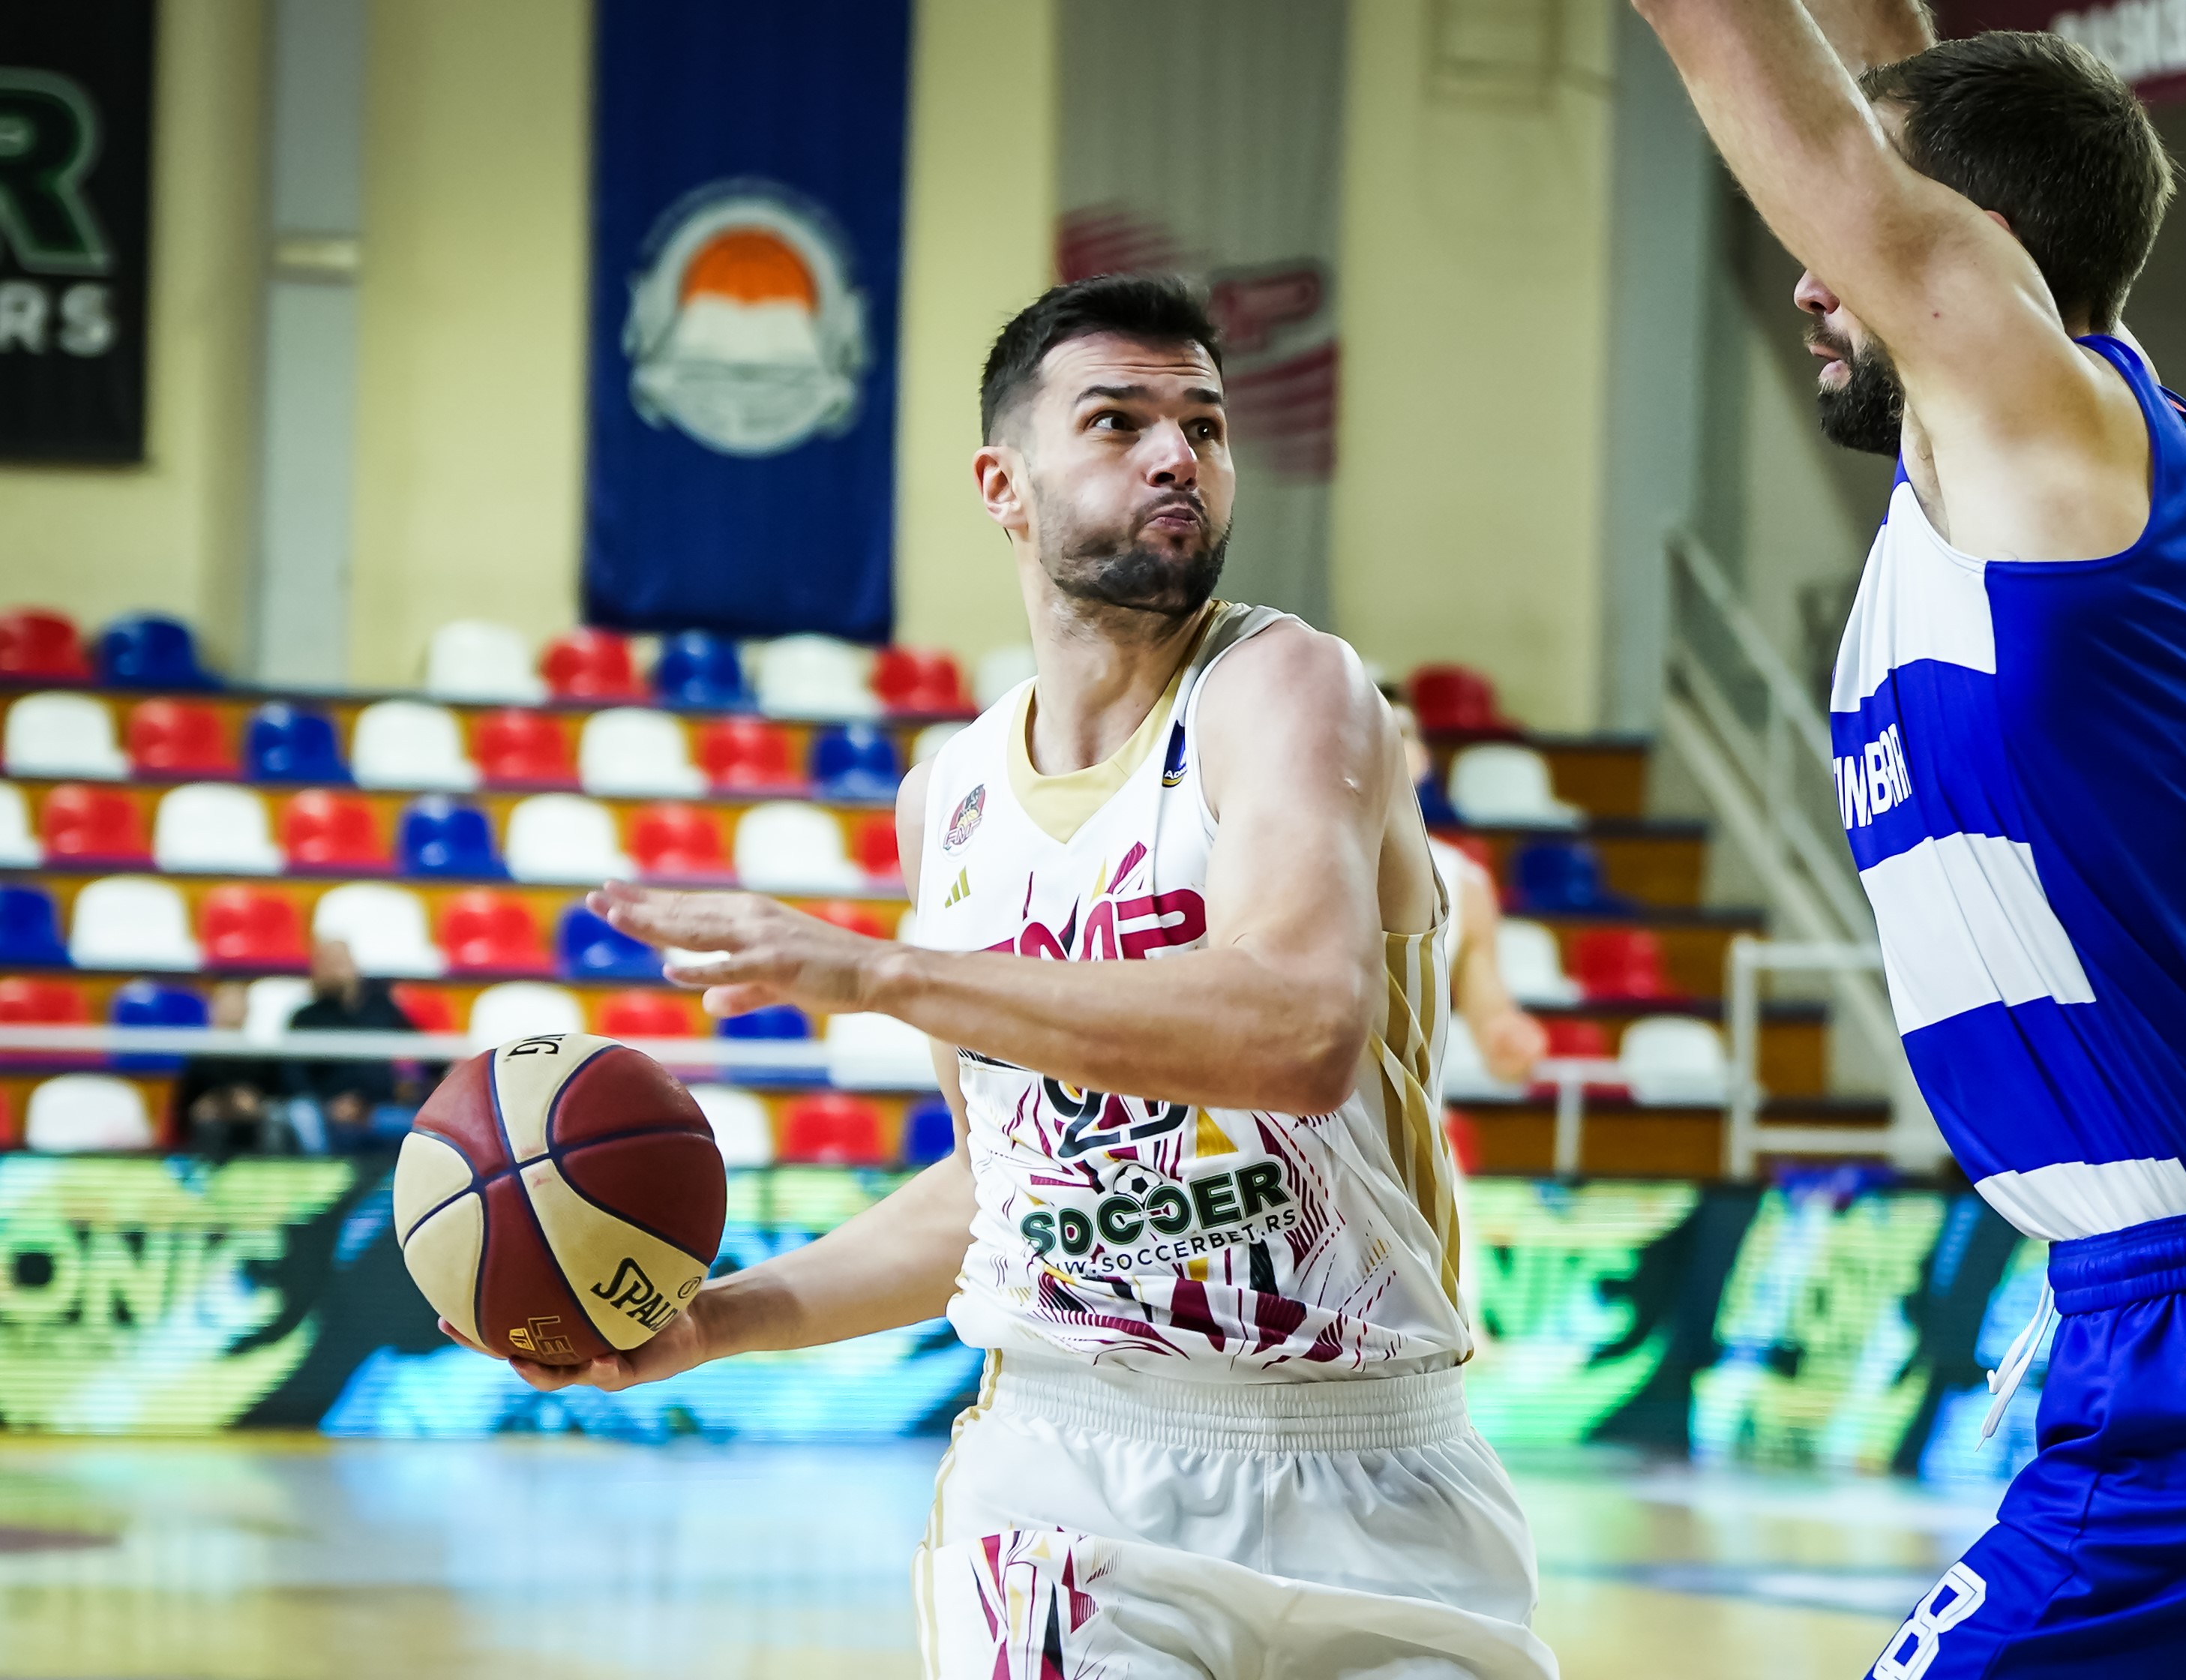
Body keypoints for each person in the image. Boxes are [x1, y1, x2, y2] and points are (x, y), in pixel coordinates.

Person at [464, 275, 1553, 1679]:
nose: (1175, 457)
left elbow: (1296, 1030)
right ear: (1004, 486)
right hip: (1065, 1479)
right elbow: (1004, 1184)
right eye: (1117, 422)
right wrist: (714, 1321)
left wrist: (882, 972)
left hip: (1380, 1463)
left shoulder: (1285, 687)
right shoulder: (951, 797)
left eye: (1204, 426)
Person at [1631, 4, 2186, 1675]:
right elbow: (1879, 79)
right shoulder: (2023, 452)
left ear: (1982, 256)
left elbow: (1767, 84)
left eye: (1854, 239)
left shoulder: (2042, 424)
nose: (1806, 279)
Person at [1398, 703, 1548, 1086]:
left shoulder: (1462, 881)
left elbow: (1485, 998)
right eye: (1368, 727)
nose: (1387, 746)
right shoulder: (1280, 856)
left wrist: (1504, 1032)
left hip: (1403, 1105)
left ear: (1423, 759)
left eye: (1400, 734)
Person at [286, 939, 421, 1153]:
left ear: (354, 965)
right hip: (328, 1113)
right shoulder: (305, 1018)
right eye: (327, 963)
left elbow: (422, 1047)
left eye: (340, 961)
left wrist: (409, 1084)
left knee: (418, 1124)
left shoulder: (382, 1008)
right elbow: (293, 1077)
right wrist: (329, 1105)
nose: (335, 970)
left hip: (381, 1108)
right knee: (303, 1115)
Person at [172, 981, 278, 1160]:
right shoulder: (200, 1058)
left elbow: (275, 1093)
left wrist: (256, 1102)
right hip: (211, 1125)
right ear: (214, 1010)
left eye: (237, 1005)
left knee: (274, 1121)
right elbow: (184, 1107)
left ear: (247, 1011)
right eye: (226, 1005)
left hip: (253, 1124)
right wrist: (210, 1104)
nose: (231, 1011)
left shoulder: (261, 1057)